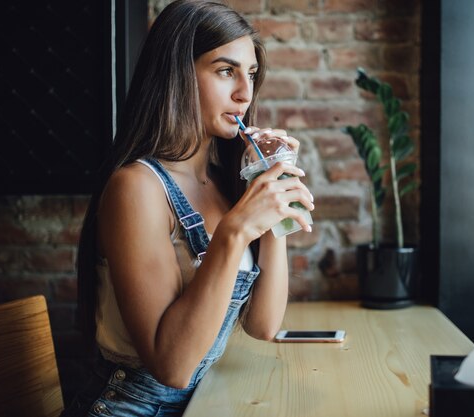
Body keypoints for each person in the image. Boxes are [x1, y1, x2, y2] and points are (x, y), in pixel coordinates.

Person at [61, 1, 314, 415]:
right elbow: (173, 366)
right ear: (177, 76)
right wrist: (235, 232)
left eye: (250, 74)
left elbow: (263, 325)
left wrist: (273, 195)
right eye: (225, 71)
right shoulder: (136, 187)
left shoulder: (224, 181)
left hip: (200, 404)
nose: (244, 93)